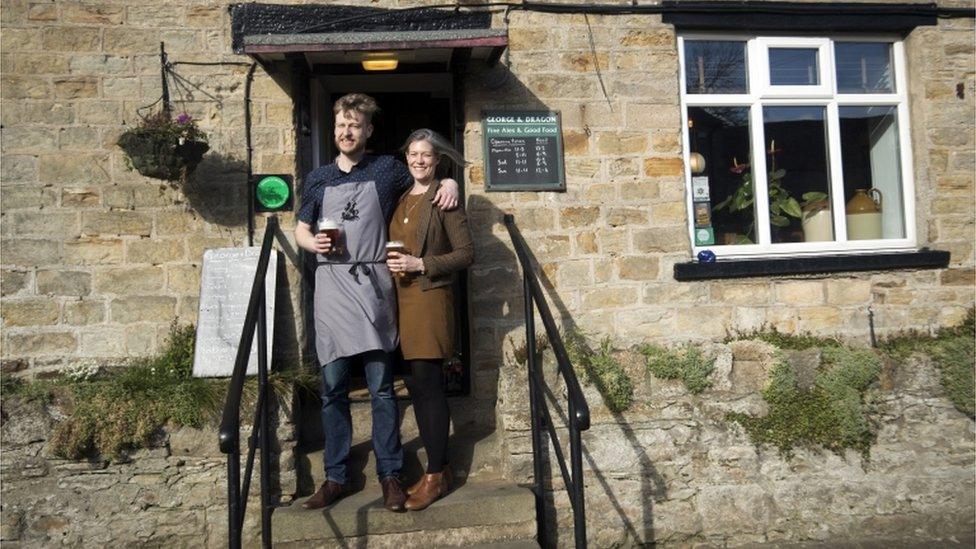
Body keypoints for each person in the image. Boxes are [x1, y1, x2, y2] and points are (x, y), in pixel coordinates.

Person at [294, 94, 459, 513]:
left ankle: (390, 473)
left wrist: (451, 182)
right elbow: (300, 229)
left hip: (372, 284)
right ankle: (336, 477)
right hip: (331, 286)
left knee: (382, 388)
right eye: (339, 126)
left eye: (354, 126)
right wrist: (312, 242)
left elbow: (426, 178)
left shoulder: (387, 170)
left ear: (367, 131)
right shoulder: (317, 179)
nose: (345, 133)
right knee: (332, 389)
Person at [386, 129, 474, 511]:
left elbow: (467, 253)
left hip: (429, 299)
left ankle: (436, 474)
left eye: (426, 155)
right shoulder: (403, 196)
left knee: (428, 387)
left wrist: (421, 263)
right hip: (401, 302)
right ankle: (439, 469)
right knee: (416, 386)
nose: (419, 160)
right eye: (413, 154)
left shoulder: (444, 198)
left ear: (438, 160)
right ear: (406, 158)